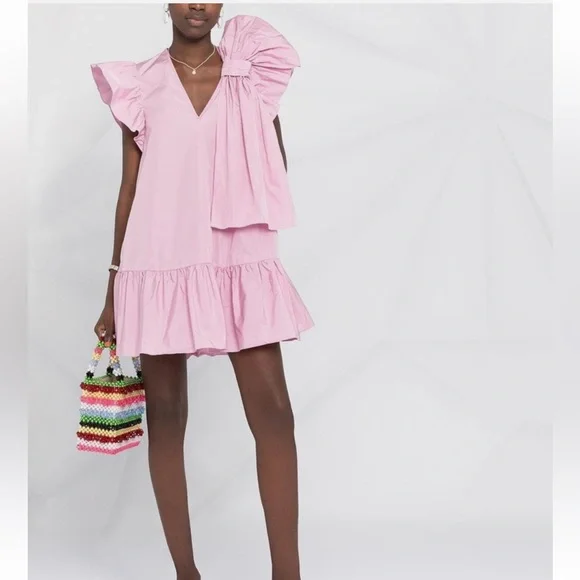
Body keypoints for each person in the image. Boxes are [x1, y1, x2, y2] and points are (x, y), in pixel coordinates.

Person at [90, 4, 313, 580]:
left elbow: (275, 169)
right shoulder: (139, 84)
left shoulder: (250, 74)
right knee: (166, 417)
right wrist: (113, 288)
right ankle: (186, 574)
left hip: (239, 257)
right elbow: (130, 188)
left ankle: (287, 575)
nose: (197, 4)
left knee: (276, 416)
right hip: (158, 262)